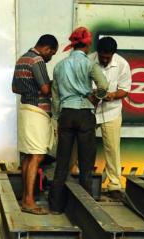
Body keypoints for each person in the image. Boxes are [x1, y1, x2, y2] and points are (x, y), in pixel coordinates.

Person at [49, 27, 108, 213]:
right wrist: (95, 97)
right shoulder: (90, 65)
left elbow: (56, 96)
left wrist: (57, 118)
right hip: (85, 114)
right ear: (88, 44)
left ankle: (56, 206)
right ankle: (84, 209)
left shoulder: (59, 66)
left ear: (72, 45)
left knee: (62, 162)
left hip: (66, 114)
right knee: (85, 164)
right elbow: (104, 86)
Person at [12, 34, 59, 215]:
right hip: (37, 110)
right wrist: (58, 81)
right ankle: (30, 201)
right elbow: (46, 89)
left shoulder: (22, 59)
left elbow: (14, 88)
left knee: (28, 156)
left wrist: (30, 90)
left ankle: (25, 197)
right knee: (37, 156)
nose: (50, 58)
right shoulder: (37, 60)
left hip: (25, 108)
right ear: (47, 49)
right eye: (51, 54)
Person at [90, 37, 132, 202]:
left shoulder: (122, 64)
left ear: (113, 54)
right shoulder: (88, 61)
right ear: (97, 52)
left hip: (112, 111)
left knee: (113, 149)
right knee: (78, 146)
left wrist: (112, 95)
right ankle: (74, 179)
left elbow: (125, 90)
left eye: (108, 57)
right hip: (89, 111)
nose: (105, 60)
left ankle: (114, 185)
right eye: (102, 57)